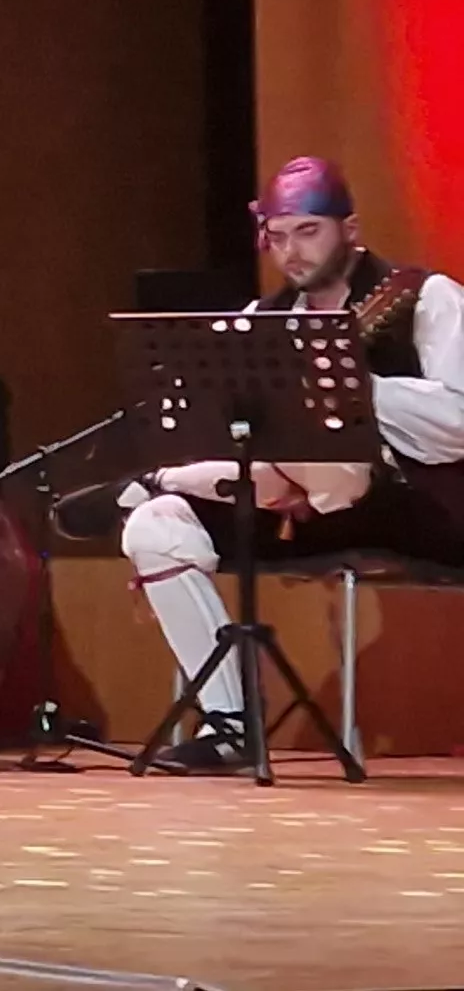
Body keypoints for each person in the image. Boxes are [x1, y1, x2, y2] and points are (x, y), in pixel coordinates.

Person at [112, 157, 464, 771]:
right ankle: (230, 723)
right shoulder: (263, 319)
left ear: (350, 229)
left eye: (308, 232)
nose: (291, 252)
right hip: (293, 510)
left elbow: (458, 421)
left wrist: (355, 388)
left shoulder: (425, 297)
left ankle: (161, 482)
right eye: (277, 236)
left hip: (412, 505)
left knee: (327, 457)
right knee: (156, 526)